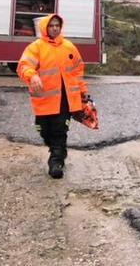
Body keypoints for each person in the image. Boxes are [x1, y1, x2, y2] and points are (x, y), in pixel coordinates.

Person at [17, 14, 90, 179]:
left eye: (57, 25)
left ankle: (56, 162)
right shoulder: (36, 47)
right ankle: (57, 149)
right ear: (45, 28)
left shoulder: (69, 47)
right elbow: (23, 66)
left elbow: (78, 71)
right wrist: (32, 76)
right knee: (43, 130)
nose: (55, 28)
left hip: (65, 100)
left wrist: (83, 92)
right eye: (51, 26)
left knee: (59, 130)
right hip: (44, 100)